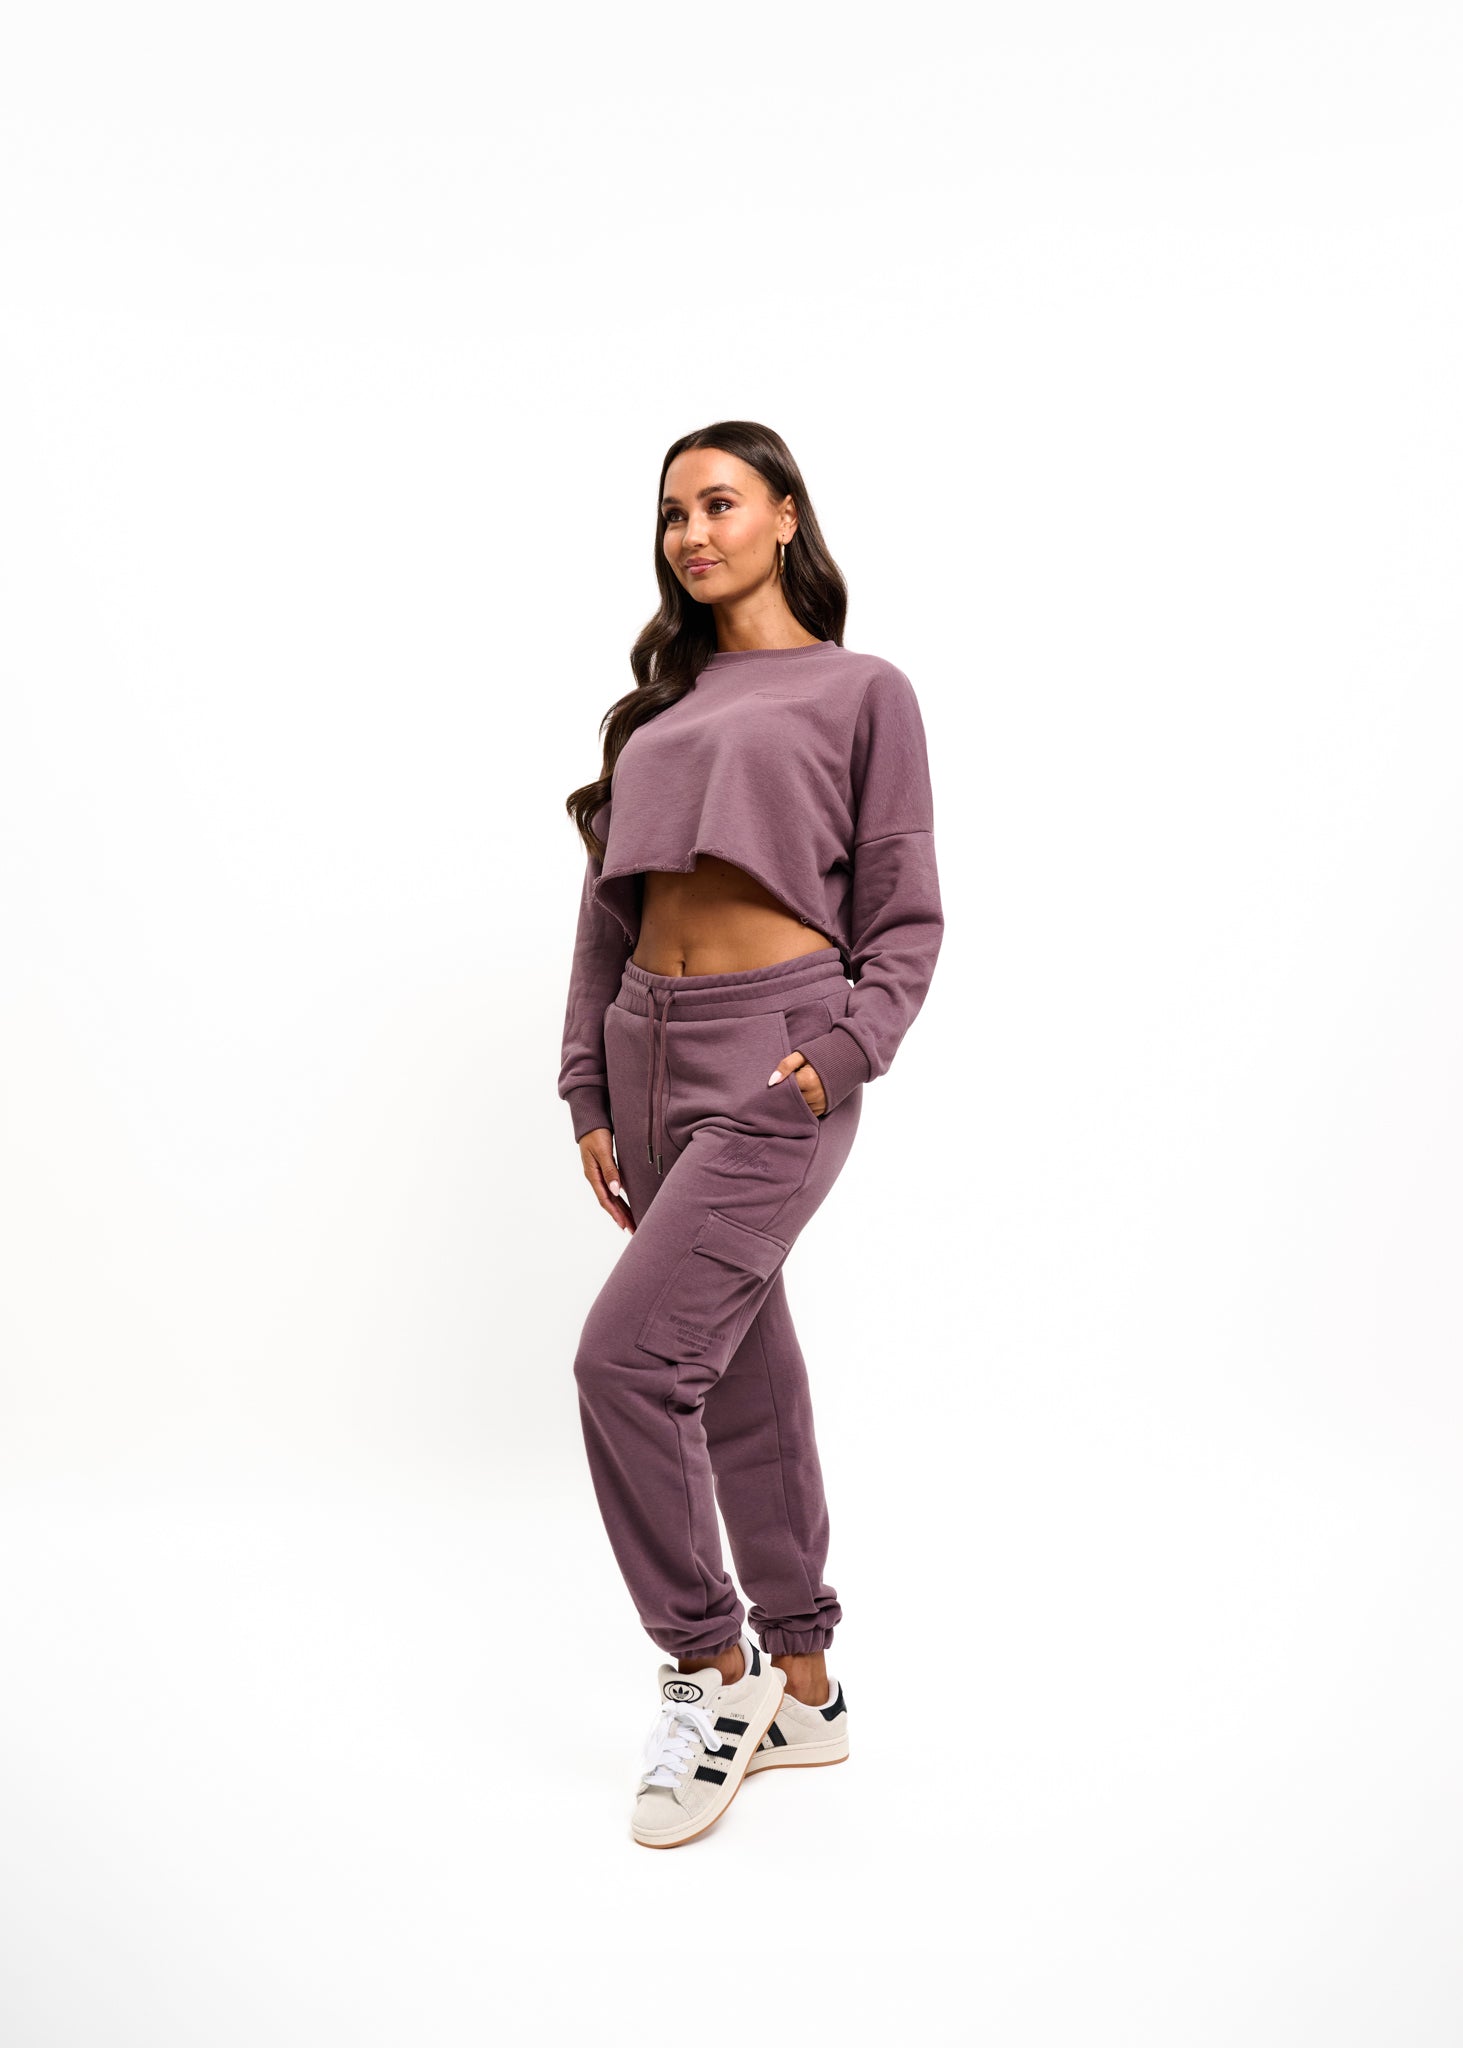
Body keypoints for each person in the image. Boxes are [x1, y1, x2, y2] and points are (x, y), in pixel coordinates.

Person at [557, 419, 944, 1849]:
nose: (692, 533)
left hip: (776, 1055)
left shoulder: (861, 691)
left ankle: (711, 1675)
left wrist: (842, 1056)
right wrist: (587, 1088)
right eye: (673, 514)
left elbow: (905, 908)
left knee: (624, 1363)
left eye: (720, 503)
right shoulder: (657, 711)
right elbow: (605, 918)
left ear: (786, 515)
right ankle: (804, 1687)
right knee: (735, 1374)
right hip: (645, 1053)